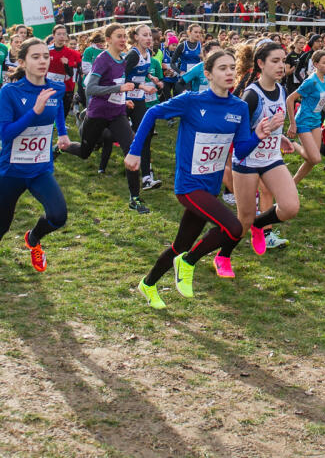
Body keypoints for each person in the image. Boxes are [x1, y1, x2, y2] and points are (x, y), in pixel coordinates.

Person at [128, 48, 279, 309]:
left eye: (232, 67)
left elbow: (241, 150)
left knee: (180, 244)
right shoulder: (191, 100)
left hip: (210, 188)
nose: (229, 72)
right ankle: (188, 263)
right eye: (222, 68)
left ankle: (148, 284)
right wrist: (134, 152)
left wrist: (259, 135)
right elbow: (152, 114)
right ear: (208, 74)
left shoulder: (240, 107)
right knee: (233, 228)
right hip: (188, 186)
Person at [0, 38, 78, 289]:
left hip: (40, 168)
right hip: (12, 170)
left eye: (45, 56)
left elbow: (58, 112)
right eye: (36, 57)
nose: (43, 61)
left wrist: (62, 132)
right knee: (1, 225)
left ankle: (33, 238)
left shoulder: (57, 88)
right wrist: (35, 111)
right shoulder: (11, 91)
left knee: (59, 216)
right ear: (22, 62)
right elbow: (6, 134)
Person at [229, 41, 299, 272]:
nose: (282, 66)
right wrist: (263, 134)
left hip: (271, 159)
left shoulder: (281, 89)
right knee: (242, 221)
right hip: (247, 162)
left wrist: (279, 137)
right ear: (260, 64)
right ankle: (222, 255)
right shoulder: (251, 96)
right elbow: (238, 143)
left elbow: (271, 124)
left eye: (283, 61)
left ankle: (259, 226)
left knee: (290, 208)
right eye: (275, 61)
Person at [69, 23, 148, 213]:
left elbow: (117, 85)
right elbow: (91, 89)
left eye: (124, 36)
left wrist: (123, 101)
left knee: (132, 149)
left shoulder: (122, 59)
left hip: (116, 114)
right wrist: (119, 89)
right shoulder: (102, 59)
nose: (123, 40)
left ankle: (134, 198)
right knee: (85, 152)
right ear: (108, 40)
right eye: (118, 36)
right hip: (97, 114)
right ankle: (61, 147)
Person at [286, 49, 325, 184]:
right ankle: (292, 143)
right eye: (324, 63)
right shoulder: (310, 82)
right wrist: (292, 124)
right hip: (303, 121)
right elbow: (290, 99)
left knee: (311, 160)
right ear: (315, 64)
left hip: (316, 122)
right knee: (316, 159)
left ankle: (292, 183)